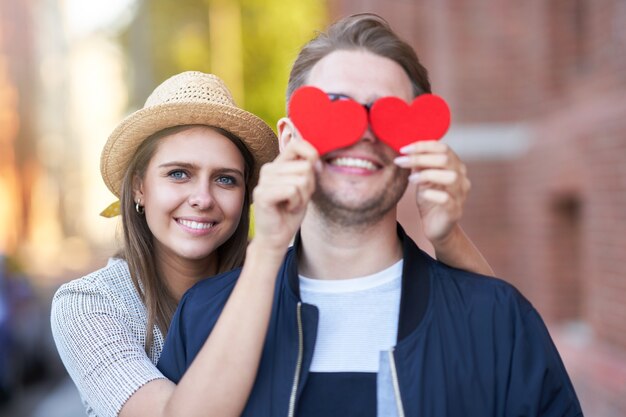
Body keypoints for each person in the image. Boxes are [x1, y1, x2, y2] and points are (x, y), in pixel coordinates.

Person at [157, 14, 583, 417]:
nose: (361, 133)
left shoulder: (498, 318)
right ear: (289, 139)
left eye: (387, 114)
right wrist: (267, 245)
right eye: (335, 108)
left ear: (419, 140)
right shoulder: (203, 315)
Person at [51, 70, 494, 417]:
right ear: (138, 190)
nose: (202, 198)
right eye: (178, 174)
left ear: (246, 194)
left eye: (226, 179)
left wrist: (446, 235)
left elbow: (491, 329)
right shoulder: (90, 305)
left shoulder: (285, 273)